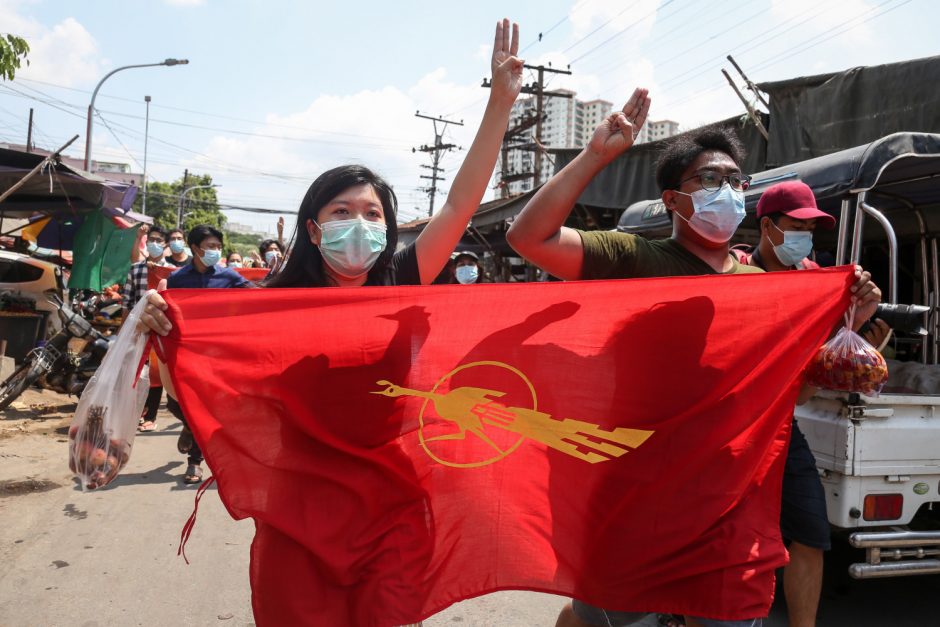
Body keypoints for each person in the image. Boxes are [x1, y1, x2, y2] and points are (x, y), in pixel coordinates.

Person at [137, 20, 523, 624]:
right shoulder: (273, 305)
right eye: (342, 211)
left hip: (392, 506)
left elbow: (459, 202)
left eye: (373, 213)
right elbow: (211, 363)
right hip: (299, 515)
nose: (359, 223)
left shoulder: (405, 276)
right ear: (315, 230)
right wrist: (163, 320)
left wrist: (499, 104)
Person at [506, 90, 880, 627]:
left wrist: (851, 325)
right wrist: (595, 157)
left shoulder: (762, 287)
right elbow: (529, 236)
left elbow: (786, 396)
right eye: (709, 180)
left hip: (727, 503)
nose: (726, 191)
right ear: (672, 200)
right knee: (603, 617)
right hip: (637, 493)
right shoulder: (636, 257)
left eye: (735, 181)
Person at [740, 180, 881, 627]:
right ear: (767, 226)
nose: (806, 237)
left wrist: (854, 320)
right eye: (796, 225)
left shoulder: (812, 278)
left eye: (812, 228)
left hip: (782, 427)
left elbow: (811, 368)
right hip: (728, 430)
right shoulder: (733, 273)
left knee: (811, 536)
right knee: (723, 536)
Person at [164, 224, 252, 483]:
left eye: (218, 246)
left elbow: (259, 296)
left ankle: (194, 462)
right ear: (195, 248)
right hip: (184, 349)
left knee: (203, 405)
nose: (215, 251)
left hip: (216, 354)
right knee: (174, 402)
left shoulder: (229, 277)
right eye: (210, 246)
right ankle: (189, 427)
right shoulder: (177, 279)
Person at [121, 225, 171, 432]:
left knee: (156, 375)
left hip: (160, 327)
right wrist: (124, 330)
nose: (155, 244)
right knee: (133, 371)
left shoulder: (171, 272)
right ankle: (132, 413)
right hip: (138, 325)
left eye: (159, 240)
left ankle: (150, 416)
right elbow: (127, 301)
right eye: (152, 240)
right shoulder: (136, 269)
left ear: (165, 245)